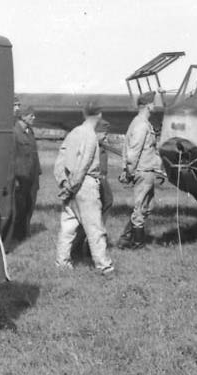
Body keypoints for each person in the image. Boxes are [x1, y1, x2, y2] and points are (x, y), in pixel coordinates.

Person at [54, 101, 114, 275]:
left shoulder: (74, 132)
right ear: (99, 114)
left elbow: (61, 158)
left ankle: (62, 263)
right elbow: (84, 163)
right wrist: (73, 185)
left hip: (70, 184)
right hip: (85, 184)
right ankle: (104, 267)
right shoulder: (90, 135)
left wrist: (64, 183)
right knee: (95, 228)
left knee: (68, 227)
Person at [117, 91, 163, 249]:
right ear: (149, 105)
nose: (155, 105)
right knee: (140, 208)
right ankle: (137, 245)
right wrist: (129, 171)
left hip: (147, 170)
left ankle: (126, 238)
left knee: (147, 208)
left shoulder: (141, 123)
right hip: (143, 171)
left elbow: (146, 150)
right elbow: (133, 152)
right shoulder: (141, 125)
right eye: (154, 103)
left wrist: (158, 169)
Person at [12, 104, 41, 240]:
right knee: (20, 205)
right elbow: (11, 156)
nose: (34, 117)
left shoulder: (30, 131)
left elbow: (34, 154)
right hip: (20, 176)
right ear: (23, 116)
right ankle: (16, 235)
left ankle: (25, 232)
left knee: (30, 203)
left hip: (32, 176)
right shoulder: (15, 132)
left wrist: (37, 174)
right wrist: (15, 177)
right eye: (31, 115)